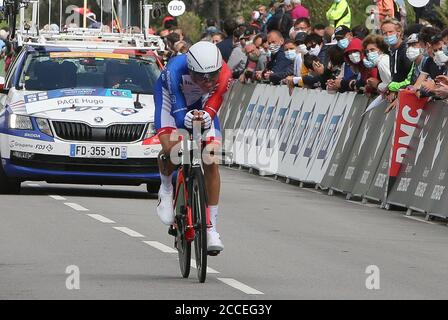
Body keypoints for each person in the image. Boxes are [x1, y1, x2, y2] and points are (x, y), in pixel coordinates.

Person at [154, 41, 232, 253]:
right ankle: (166, 187)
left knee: (211, 157)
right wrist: (185, 119)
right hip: (171, 101)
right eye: (200, 77)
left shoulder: (225, 73)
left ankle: (211, 228)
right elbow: (179, 117)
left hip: (203, 102)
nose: (207, 82)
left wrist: (206, 116)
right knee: (174, 149)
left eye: (212, 77)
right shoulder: (173, 71)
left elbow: (214, 101)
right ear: (190, 70)